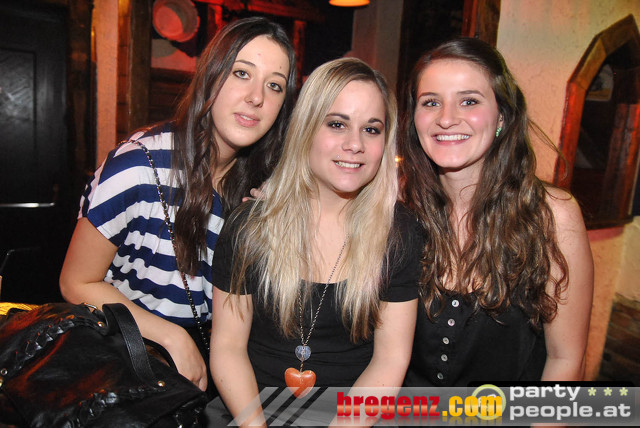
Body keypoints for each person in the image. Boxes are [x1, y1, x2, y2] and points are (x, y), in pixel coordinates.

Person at [59, 17, 296, 393]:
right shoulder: (138, 165)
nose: (256, 97)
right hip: (124, 364)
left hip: (209, 370)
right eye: (241, 73)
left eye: (274, 85)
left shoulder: (259, 190)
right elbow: (75, 282)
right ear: (211, 76)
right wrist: (172, 337)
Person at [208, 57, 424, 425]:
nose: (354, 144)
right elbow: (228, 347)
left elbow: (390, 359)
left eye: (371, 129)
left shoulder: (399, 234)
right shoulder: (248, 227)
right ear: (306, 128)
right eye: (337, 124)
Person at [399, 37, 594, 386]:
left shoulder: (551, 216)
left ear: (502, 116)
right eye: (431, 102)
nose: (446, 118)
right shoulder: (402, 206)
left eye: (469, 101)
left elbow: (566, 360)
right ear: (415, 118)